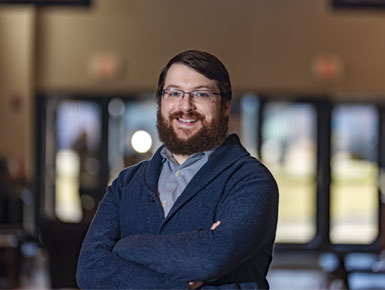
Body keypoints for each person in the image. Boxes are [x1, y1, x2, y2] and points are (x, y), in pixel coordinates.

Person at [76, 50, 279, 289]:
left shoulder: (251, 181)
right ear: (161, 102)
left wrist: (124, 247)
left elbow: (208, 259)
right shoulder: (127, 183)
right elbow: (89, 270)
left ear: (225, 106)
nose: (185, 106)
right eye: (173, 93)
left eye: (201, 94)